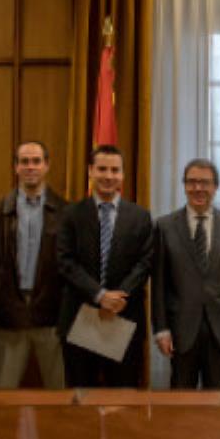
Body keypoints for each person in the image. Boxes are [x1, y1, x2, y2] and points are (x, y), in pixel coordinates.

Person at [56, 145, 153, 388]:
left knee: (122, 403)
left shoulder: (140, 216)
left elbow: (145, 262)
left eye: (114, 170)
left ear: (122, 174)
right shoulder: (71, 214)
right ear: (90, 171)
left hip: (123, 318)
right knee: (80, 401)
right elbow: (65, 261)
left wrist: (118, 296)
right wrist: (100, 295)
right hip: (81, 318)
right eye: (102, 169)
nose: (108, 176)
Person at [151, 159, 220, 389]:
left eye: (205, 183)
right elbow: (158, 285)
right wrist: (161, 329)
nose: (198, 188)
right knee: (180, 403)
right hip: (181, 329)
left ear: (216, 187)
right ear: (184, 185)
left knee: (218, 401)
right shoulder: (164, 226)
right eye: (192, 182)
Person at [0, 141, 68, 389]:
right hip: (9, 317)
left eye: (36, 161)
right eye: (24, 162)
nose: (30, 167)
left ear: (46, 166)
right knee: (2, 396)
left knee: (60, 398)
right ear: (15, 167)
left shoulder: (67, 212)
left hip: (52, 317)